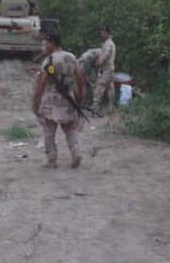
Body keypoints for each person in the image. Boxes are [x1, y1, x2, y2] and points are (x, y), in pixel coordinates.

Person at [31, 33, 85, 169]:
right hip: (69, 99)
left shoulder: (49, 60)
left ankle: (52, 160)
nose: (45, 46)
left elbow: (42, 83)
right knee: (69, 129)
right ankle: (76, 153)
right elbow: (80, 77)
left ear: (51, 43)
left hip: (51, 100)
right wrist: (80, 96)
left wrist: (35, 101)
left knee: (49, 130)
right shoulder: (71, 57)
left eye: (46, 43)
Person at [93, 27, 116, 116]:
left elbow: (105, 55)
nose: (101, 35)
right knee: (110, 89)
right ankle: (111, 109)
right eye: (101, 33)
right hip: (110, 68)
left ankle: (95, 109)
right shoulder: (110, 43)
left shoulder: (108, 44)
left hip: (106, 69)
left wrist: (98, 63)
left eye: (103, 33)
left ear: (107, 33)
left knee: (99, 87)